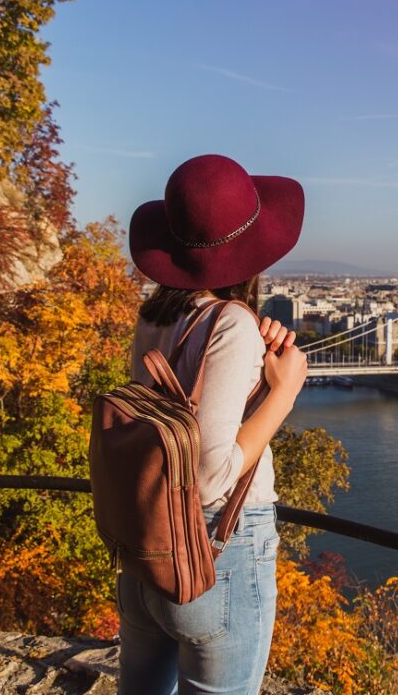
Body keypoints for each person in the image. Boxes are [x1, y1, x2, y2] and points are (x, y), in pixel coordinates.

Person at [118, 154, 308, 695]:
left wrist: (254, 362)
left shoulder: (156, 317)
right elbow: (210, 473)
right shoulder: (230, 324)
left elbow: (179, 426)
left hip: (145, 544)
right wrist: (283, 392)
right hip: (215, 551)